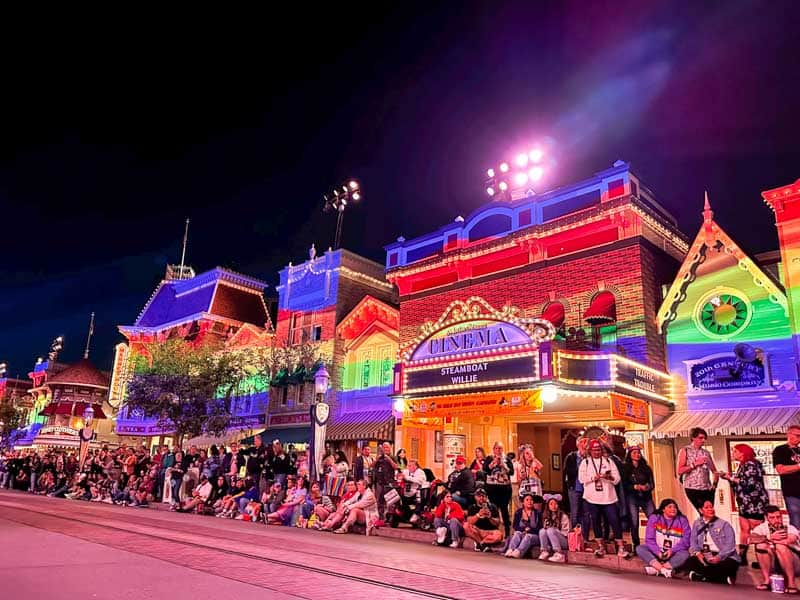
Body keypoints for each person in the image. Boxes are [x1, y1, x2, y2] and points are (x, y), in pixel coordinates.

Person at [720, 443, 770, 565]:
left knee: (757, 530)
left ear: (743, 452)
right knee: (744, 529)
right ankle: (742, 556)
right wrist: (729, 478)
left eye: (735, 451)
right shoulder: (742, 466)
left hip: (754, 502)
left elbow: (749, 483)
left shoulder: (752, 464)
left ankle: (763, 557)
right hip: (744, 502)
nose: (733, 454)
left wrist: (731, 478)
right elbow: (739, 484)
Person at [578, 439, 625, 557]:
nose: (596, 452)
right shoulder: (586, 462)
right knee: (596, 522)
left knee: (615, 521)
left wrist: (608, 477)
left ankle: (621, 547)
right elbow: (581, 479)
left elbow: (617, 478)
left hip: (608, 497)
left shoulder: (608, 461)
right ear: (590, 451)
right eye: (594, 450)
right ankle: (600, 547)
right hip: (592, 498)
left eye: (598, 449)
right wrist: (594, 477)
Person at [683, 500, 739, 585]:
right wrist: (698, 553)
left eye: (711, 507)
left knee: (729, 564)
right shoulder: (697, 523)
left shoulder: (724, 524)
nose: (710, 509)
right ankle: (721, 579)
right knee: (690, 561)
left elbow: (730, 545)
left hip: (723, 556)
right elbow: (693, 541)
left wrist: (719, 557)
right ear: (701, 510)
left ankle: (701, 577)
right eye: (707, 507)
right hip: (706, 555)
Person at [635, 498, 691, 578]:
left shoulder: (682, 520)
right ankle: (663, 570)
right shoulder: (654, 518)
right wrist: (658, 552)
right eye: (670, 507)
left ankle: (657, 569)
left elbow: (686, 540)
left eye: (675, 507)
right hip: (658, 552)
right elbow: (649, 539)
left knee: (685, 554)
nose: (673, 509)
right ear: (663, 509)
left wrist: (672, 551)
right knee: (640, 548)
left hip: (673, 553)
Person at [751, 504, 800, 593]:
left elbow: (791, 539)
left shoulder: (789, 527)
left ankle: (791, 584)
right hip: (773, 561)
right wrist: (769, 537)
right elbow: (750, 539)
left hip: (795, 563)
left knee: (780, 547)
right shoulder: (762, 528)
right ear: (767, 518)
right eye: (772, 518)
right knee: (760, 546)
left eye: (778, 517)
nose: (776, 520)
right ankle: (767, 581)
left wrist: (774, 541)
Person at [677, 427, 719, 513]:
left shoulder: (706, 453)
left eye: (704, 438)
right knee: (703, 512)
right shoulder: (685, 450)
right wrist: (694, 464)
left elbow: (715, 471)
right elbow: (680, 471)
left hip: (707, 488)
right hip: (692, 488)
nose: (703, 440)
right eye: (700, 438)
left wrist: (714, 485)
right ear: (693, 438)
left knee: (710, 513)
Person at [622, 446, 655, 550]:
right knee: (634, 521)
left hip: (646, 496)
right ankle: (636, 545)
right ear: (630, 455)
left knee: (653, 519)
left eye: (639, 453)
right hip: (632, 497)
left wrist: (647, 487)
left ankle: (653, 542)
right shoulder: (625, 468)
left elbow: (652, 483)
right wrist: (634, 487)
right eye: (635, 453)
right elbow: (623, 485)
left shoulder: (646, 467)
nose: (637, 455)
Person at [483, 442, 514, 539]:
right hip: (492, 488)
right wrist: (493, 463)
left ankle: (507, 532)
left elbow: (512, 472)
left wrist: (503, 465)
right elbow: (485, 470)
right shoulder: (489, 458)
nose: (498, 450)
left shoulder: (507, 459)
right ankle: (493, 531)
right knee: (493, 509)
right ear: (493, 449)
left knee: (504, 509)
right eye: (496, 448)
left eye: (500, 448)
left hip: (504, 488)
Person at [773, 424, 800, 530]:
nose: (798, 439)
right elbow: (781, 469)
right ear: (789, 434)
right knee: (796, 521)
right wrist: (798, 466)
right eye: (797, 435)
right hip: (792, 492)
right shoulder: (780, 450)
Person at [464, 488, 504, 552]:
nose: (481, 498)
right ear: (475, 497)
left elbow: (498, 523)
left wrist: (490, 517)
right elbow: (469, 521)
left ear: (486, 497)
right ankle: (483, 544)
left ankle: (481, 544)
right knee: (466, 526)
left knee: (499, 535)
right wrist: (478, 515)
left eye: (483, 496)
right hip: (477, 531)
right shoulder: (472, 507)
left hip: (490, 532)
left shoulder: (493, 507)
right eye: (479, 496)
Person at [504, 493, 542, 558]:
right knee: (517, 533)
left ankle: (519, 552)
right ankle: (510, 550)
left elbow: (539, 528)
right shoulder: (519, 512)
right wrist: (524, 529)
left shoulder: (537, 513)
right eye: (527, 500)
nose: (530, 502)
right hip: (522, 533)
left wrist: (529, 530)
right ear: (523, 502)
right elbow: (515, 526)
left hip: (534, 536)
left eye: (531, 500)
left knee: (528, 536)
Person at [538, 493, 570, 562]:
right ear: (548, 506)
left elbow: (566, 533)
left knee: (550, 530)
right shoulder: (546, 516)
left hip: (563, 541)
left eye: (555, 504)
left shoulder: (563, 516)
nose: (553, 506)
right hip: (551, 540)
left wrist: (555, 531)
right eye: (551, 504)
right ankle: (544, 551)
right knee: (542, 531)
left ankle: (559, 553)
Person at [564, 437, 587, 529]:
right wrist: (580, 466)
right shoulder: (571, 457)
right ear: (577, 445)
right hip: (574, 488)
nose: (583, 445)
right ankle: (574, 537)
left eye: (585, 443)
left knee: (586, 513)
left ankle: (585, 537)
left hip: (587, 489)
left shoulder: (589, 457)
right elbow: (567, 471)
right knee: (575, 512)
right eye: (581, 443)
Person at [373, 441, 398, 525]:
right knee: (380, 501)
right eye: (384, 447)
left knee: (390, 501)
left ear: (390, 448)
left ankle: (390, 519)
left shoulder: (393, 457)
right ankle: (381, 518)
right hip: (379, 482)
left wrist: (389, 459)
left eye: (387, 447)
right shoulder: (380, 458)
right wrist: (376, 460)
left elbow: (396, 467)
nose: (385, 449)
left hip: (389, 482)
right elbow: (372, 466)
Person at [399, 458, 427, 524]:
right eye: (408, 465)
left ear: (415, 466)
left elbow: (420, 481)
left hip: (416, 493)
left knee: (419, 496)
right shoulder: (405, 471)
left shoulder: (420, 472)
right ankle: (404, 516)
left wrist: (407, 478)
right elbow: (400, 476)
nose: (409, 467)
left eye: (410, 466)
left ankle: (416, 514)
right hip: (405, 493)